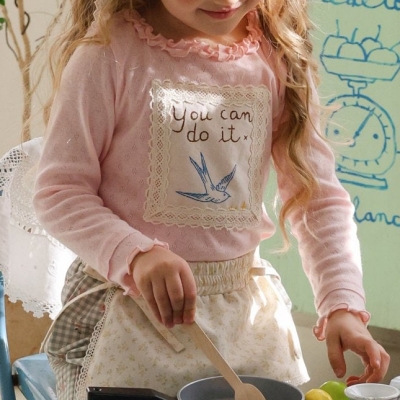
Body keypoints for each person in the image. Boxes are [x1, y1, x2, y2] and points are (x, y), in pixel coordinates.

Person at [33, 0, 390, 399]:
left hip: (243, 322)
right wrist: (136, 254)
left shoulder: (278, 57)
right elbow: (60, 192)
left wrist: (341, 304)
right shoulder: (107, 55)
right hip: (126, 312)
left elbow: (317, 199)